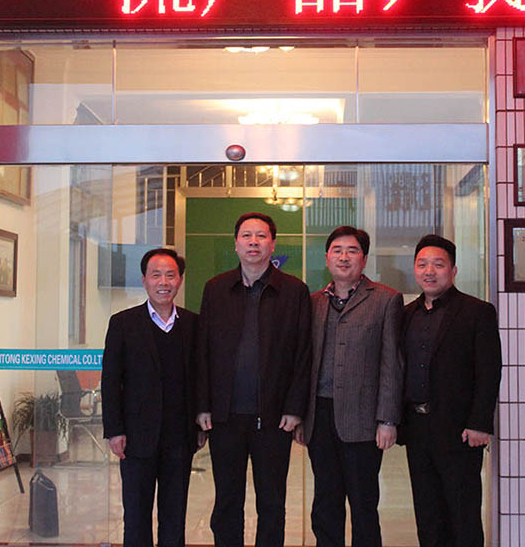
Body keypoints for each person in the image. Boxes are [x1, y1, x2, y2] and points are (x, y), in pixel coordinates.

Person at [195, 212, 312, 547]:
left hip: (274, 418)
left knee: (272, 502)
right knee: (227, 501)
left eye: (261, 236)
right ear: (236, 244)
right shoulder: (216, 289)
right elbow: (203, 351)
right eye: (246, 236)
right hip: (225, 417)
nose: (253, 242)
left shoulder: (294, 291)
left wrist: (295, 407)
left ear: (273, 244)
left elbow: (303, 353)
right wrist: (203, 406)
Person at [294, 226, 404, 547]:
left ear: (364, 259)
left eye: (352, 251)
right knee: (325, 503)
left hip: (363, 419)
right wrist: (300, 415)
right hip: (320, 416)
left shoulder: (386, 300)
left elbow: (392, 363)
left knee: (363, 504)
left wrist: (387, 419)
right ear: (327, 257)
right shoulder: (314, 302)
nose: (344, 257)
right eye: (337, 250)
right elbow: (303, 363)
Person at [399, 234, 502, 547]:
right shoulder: (406, 314)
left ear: (453, 270)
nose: (429, 271)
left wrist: (480, 423)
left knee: (463, 514)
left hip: (459, 432)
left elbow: (489, 371)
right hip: (417, 429)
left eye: (438, 264)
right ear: (415, 269)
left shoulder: (477, 312)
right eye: (422, 264)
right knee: (427, 514)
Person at [101, 248, 205, 547]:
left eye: (170, 275)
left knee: (174, 515)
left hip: (179, 436)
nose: (163, 282)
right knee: (136, 516)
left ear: (180, 280)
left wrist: (199, 424)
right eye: (156, 275)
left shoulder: (193, 324)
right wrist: (114, 430)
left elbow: (201, 377)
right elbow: (111, 380)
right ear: (144, 280)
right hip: (136, 438)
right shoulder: (123, 323)